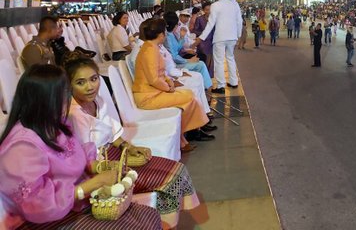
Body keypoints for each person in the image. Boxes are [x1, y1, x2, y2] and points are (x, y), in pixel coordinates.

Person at [0, 64, 161, 228]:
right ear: (43, 101)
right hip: (47, 219)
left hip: (75, 203)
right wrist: (91, 185)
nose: (67, 101)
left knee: (148, 214)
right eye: (62, 96)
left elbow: (77, 152)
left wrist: (96, 167)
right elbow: (37, 204)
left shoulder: (55, 122)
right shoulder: (21, 147)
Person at [64, 57, 199, 228]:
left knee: (177, 170)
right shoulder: (74, 114)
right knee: (166, 181)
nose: (90, 86)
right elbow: (83, 159)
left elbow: (112, 132)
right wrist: (109, 168)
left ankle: (167, 222)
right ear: (69, 85)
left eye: (94, 79)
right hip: (97, 168)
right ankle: (163, 223)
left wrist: (128, 147)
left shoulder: (98, 101)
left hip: (113, 154)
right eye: (80, 82)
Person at [133, 18, 211, 152]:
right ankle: (189, 133)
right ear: (160, 34)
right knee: (189, 97)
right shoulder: (150, 50)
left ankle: (183, 138)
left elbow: (160, 74)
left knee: (189, 96)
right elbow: (153, 79)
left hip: (153, 91)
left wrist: (169, 82)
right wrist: (168, 88)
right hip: (148, 96)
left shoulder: (151, 48)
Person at [196, 0, 243, 94]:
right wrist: (238, 35)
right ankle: (233, 82)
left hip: (220, 37)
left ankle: (221, 86)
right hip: (232, 37)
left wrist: (201, 38)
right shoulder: (234, 3)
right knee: (230, 58)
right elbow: (239, 21)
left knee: (219, 61)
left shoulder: (215, 5)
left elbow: (210, 24)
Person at [164, 11, 215, 95]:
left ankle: (206, 87)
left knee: (200, 62)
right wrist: (188, 61)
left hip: (178, 60)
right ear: (175, 25)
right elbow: (173, 57)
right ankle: (208, 88)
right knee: (201, 64)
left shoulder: (171, 35)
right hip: (175, 64)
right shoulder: (167, 38)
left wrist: (181, 37)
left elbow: (177, 48)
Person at [193, 1, 214, 77]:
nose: (208, 11)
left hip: (212, 42)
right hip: (202, 43)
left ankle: (209, 76)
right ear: (203, 10)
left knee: (211, 60)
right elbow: (195, 30)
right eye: (207, 9)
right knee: (204, 59)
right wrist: (203, 34)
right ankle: (203, 75)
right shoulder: (199, 19)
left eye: (210, 9)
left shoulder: (214, 19)